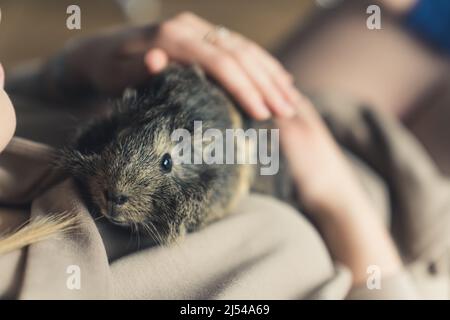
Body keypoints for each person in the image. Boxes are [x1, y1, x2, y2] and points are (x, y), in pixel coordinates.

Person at [1, 11, 445, 299]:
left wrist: (79, 66)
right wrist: (338, 196)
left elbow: (25, 98)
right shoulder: (275, 245)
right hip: (404, 226)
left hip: (316, 122)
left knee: (390, 17)